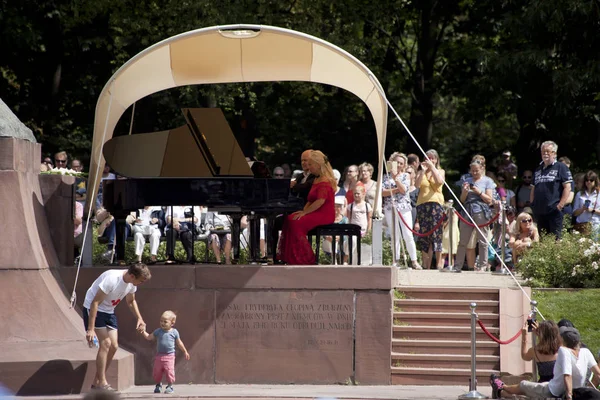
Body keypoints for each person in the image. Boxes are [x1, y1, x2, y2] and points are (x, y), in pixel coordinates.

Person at [83, 263, 151, 391]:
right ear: (132, 276)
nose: (140, 284)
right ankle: (102, 382)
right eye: (140, 281)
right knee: (106, 343)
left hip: (109, 311)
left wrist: (139, 318)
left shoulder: (131, 283)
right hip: (94, 308)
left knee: (114, 346)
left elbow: (131, 301)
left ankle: (97, 382)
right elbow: (95, 302)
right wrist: (90, 329)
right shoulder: (112, 279)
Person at [490, 326, 600, 400]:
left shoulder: (564, 351)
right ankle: (501, 389)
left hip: (554, 390)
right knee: (527, 388)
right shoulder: (585, 352)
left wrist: (569, 395)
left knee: (524, 385)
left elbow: (567, 375)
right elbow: (598, 374)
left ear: (563, 340)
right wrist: (587, 387)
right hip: (577, 391)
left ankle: (501, 386)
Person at [278, 150, 336, 265]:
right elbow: (310, 200)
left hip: (324, 214)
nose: (309, 167)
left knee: (296, 222)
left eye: (310, 164)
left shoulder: (325, 180)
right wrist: (303, 211)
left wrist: (305, 213)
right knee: (290, 218)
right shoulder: (316, 178)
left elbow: (320, 201)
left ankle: (306, 257)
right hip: (315, 211)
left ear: (318, 165)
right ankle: (290, 256)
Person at [489, 319, 561, 398]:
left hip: (544, 388)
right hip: (557, 386)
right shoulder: (562, 350)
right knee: (524, 391)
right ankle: (500, 392)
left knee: (523, 385)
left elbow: (524, 356)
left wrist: (524, 335)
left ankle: (502, 387)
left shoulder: (536, 351)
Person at [455, 160, 496, 272]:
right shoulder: (467, 180)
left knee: (482, 240)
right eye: (472, 171)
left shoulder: (488, 181)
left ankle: (483, 265)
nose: (474, 173)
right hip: (467, 211)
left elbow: (489, 199)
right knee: (463, 240)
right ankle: (457, 265)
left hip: (481, 211)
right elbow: (462, 200)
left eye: (476, 171)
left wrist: (478, 192)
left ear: (482, 169)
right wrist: (464, 191)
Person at [382, 152, 420, 269]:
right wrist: (396, 189)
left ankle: (414, 260)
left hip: (404, 208)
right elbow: (383, 193)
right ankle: (396, 260)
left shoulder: (405, 176)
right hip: (390, 208)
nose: (398, 165)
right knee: (395, 234)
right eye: (396, 162)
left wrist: (395, 181)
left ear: (404, 165)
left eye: (401, 163)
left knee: (407, 234)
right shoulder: (385, 176)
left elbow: (404, 190)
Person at [530, 141, 573, 239]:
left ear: (554, 153)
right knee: (543, 240)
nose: (545, 154)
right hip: (540, 211)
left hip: (554, 211)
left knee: (556, 240)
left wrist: (560, 205)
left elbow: (567, 187)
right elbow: (533, 188)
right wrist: (532, 204)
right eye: (543, 151)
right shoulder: (538, 169)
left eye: (548, 151)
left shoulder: (561, 167)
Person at [140, 310, 190, 394]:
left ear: (172, 323)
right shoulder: (158, 331)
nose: (162, 323)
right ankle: (158, 385)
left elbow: (179, 342)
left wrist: (185, 351)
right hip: (159, 356)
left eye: (165, 322)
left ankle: (170, 386)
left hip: (170, 356)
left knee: (169, 371)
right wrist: (142, 332)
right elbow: (149, 337)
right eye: (161, 321)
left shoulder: (174, 332)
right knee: (157, 372)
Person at [415, 149, 446, 270]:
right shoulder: (420, 172)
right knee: (424, 234)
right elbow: (417, 185)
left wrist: (432, 168)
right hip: (422, 205)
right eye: (428, 158)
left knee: (436, 234)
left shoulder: (440, 171)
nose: (430, 160)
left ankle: (438, 263)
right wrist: (422, 171)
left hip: (436, 204)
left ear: (436, 160)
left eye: (432, 158)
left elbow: (439, 182)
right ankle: (425, 263)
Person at [573, 170, 600, 239]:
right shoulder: (579, 194)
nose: (589, 182)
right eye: (587, 180)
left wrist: (592, 210)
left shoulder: (598, 194)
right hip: (582, 224)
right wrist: (582, 209)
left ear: (595, 181)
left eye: (591, 180)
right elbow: (574, 213)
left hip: (595, 224)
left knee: (594, 247)